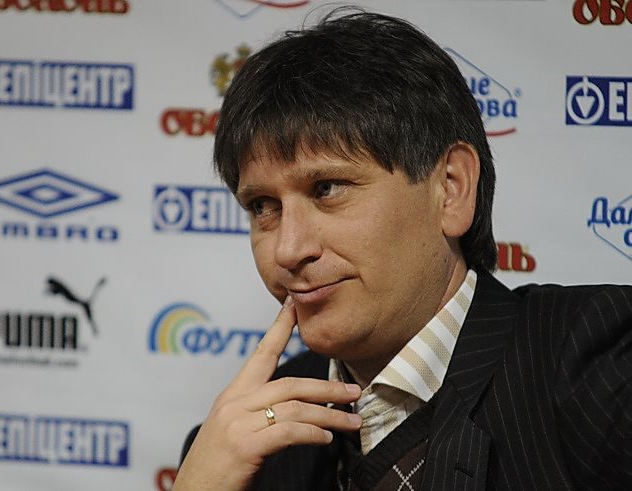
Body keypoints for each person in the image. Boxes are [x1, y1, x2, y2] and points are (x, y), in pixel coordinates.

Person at [174, 9, 632, 490]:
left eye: (328, 188)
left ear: (451, 189)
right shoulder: (239, 447)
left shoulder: (600, 364)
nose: (288, 251)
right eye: (263, 206)